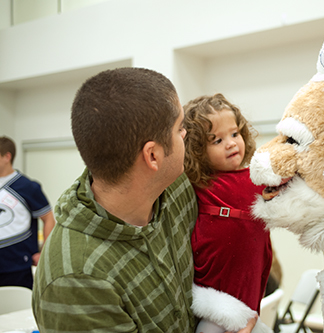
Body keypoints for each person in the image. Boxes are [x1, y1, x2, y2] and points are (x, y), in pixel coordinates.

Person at [32, 68, 257, 333]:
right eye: (180, 128)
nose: (186, 135)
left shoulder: (177, 187)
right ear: (153, 156)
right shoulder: (75, 279)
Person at [183, 94, 273, 332]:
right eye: (217, 140)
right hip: (212, 303)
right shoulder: (198, 185)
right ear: (197, 151)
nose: (231, 143)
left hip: (248, 304)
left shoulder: (255, 177)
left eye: (235, 134)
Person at [0, 136, 55, 289]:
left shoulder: (27, 187)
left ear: (7, 157)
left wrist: (44, 253)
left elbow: (49, 218)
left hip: (17, 267)